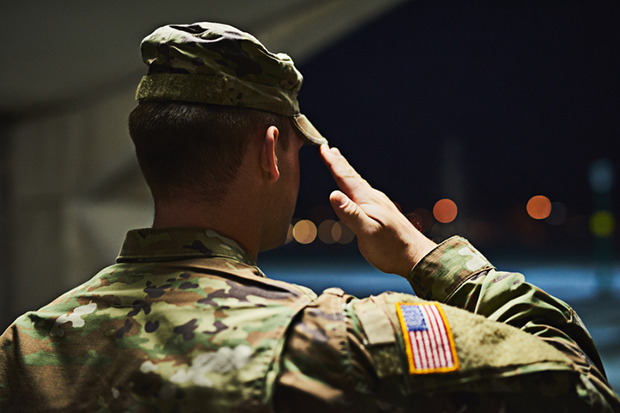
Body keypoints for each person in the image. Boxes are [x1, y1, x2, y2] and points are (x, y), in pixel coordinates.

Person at [0, 22, 618, 413]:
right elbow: (579, 386)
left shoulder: (24, 347)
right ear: (271, 152)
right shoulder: (335, 341)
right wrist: (432, 260)